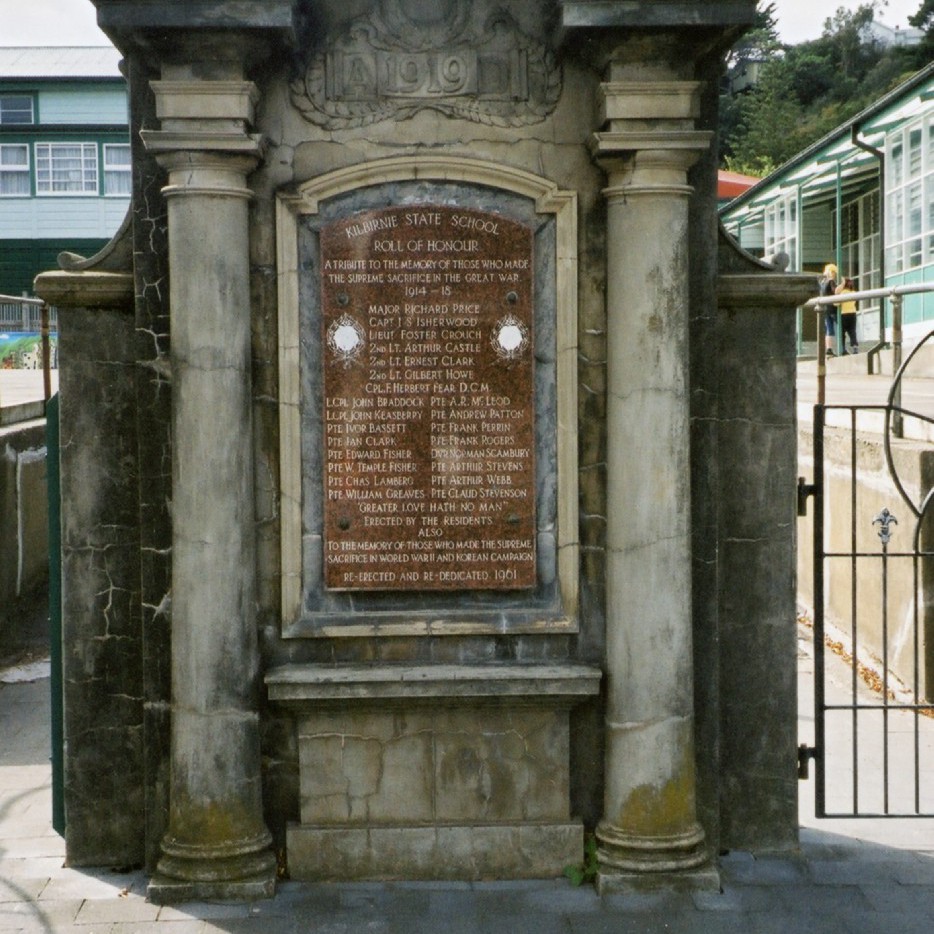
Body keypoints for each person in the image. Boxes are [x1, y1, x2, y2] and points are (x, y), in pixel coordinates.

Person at [818, 263, 838, 356]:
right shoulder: (831, 281)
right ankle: (842, 348)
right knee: (841, 327)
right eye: (833, 272)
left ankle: (829, 348)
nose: (834, 274)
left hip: (824, 308)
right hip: (832, 308)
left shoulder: (822, 282)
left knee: (829, 329)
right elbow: (835, 292)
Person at [835, 277, 859, 354]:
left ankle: (842, 348)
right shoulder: (854, 293)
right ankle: (855, 346)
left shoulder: (842, 293)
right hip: (853, 313)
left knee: (842, 332)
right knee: (852, 331)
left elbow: (836, 304)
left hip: (844, 314)